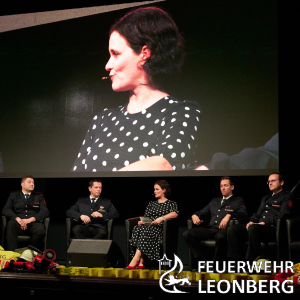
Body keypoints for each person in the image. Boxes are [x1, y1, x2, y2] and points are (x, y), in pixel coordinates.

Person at [72, 6, 201, 172]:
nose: (107, 65)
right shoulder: (102, 119)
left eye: (116, 54)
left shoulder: (180, 112)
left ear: (144, 54)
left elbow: (169, 163)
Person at [227, 172, 295, 263]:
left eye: (273, 181)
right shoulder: (266, 197)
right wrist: (251, 221)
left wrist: (264, 222)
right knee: (233, 229)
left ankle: (251, 261)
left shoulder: (287, 196)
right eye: (269, 181)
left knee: (253, 228)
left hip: (273, 228)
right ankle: (234, 261)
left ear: (281, 182)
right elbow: (258, 215)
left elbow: (283, 216)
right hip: (258, 227)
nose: (270, 183)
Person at [182, 176, 247, 269]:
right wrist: (193, 215)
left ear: (232, 187)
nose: (223, 188)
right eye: (221, 186)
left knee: (221, 236)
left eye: (226, 185)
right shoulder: (214, 201)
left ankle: (216, 265)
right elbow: (201, 212)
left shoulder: (237, 201)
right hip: (211, 229)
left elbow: (243, 214)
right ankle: (204, 260)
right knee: (187, 234)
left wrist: (229, 215)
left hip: (224, 230)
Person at [126, 180, 179, 269]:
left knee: (144, 230)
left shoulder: (171, 203)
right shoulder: (151, 204)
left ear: (164, 190)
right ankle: (142, 261)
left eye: (157, 189)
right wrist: (142, 222)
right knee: (138, 228)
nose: (154, 191)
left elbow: (175, 214)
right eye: (154, 189)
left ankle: (136, 259)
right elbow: (146, 217)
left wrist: (161, 218)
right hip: (149, 227)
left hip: (161, 229)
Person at [2, 175, 49, 251]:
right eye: (29, 182)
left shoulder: (39, 196)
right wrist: (17, 219)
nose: (32, 184)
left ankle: (30, 252)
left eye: (33, 182)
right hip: (18, 222)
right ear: (22, 184)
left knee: (40, 230)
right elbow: (6, 209)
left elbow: (45, 211)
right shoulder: (14, 195)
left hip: (33, 223)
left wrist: (30, 220)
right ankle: (12, 254)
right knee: (11, 224)